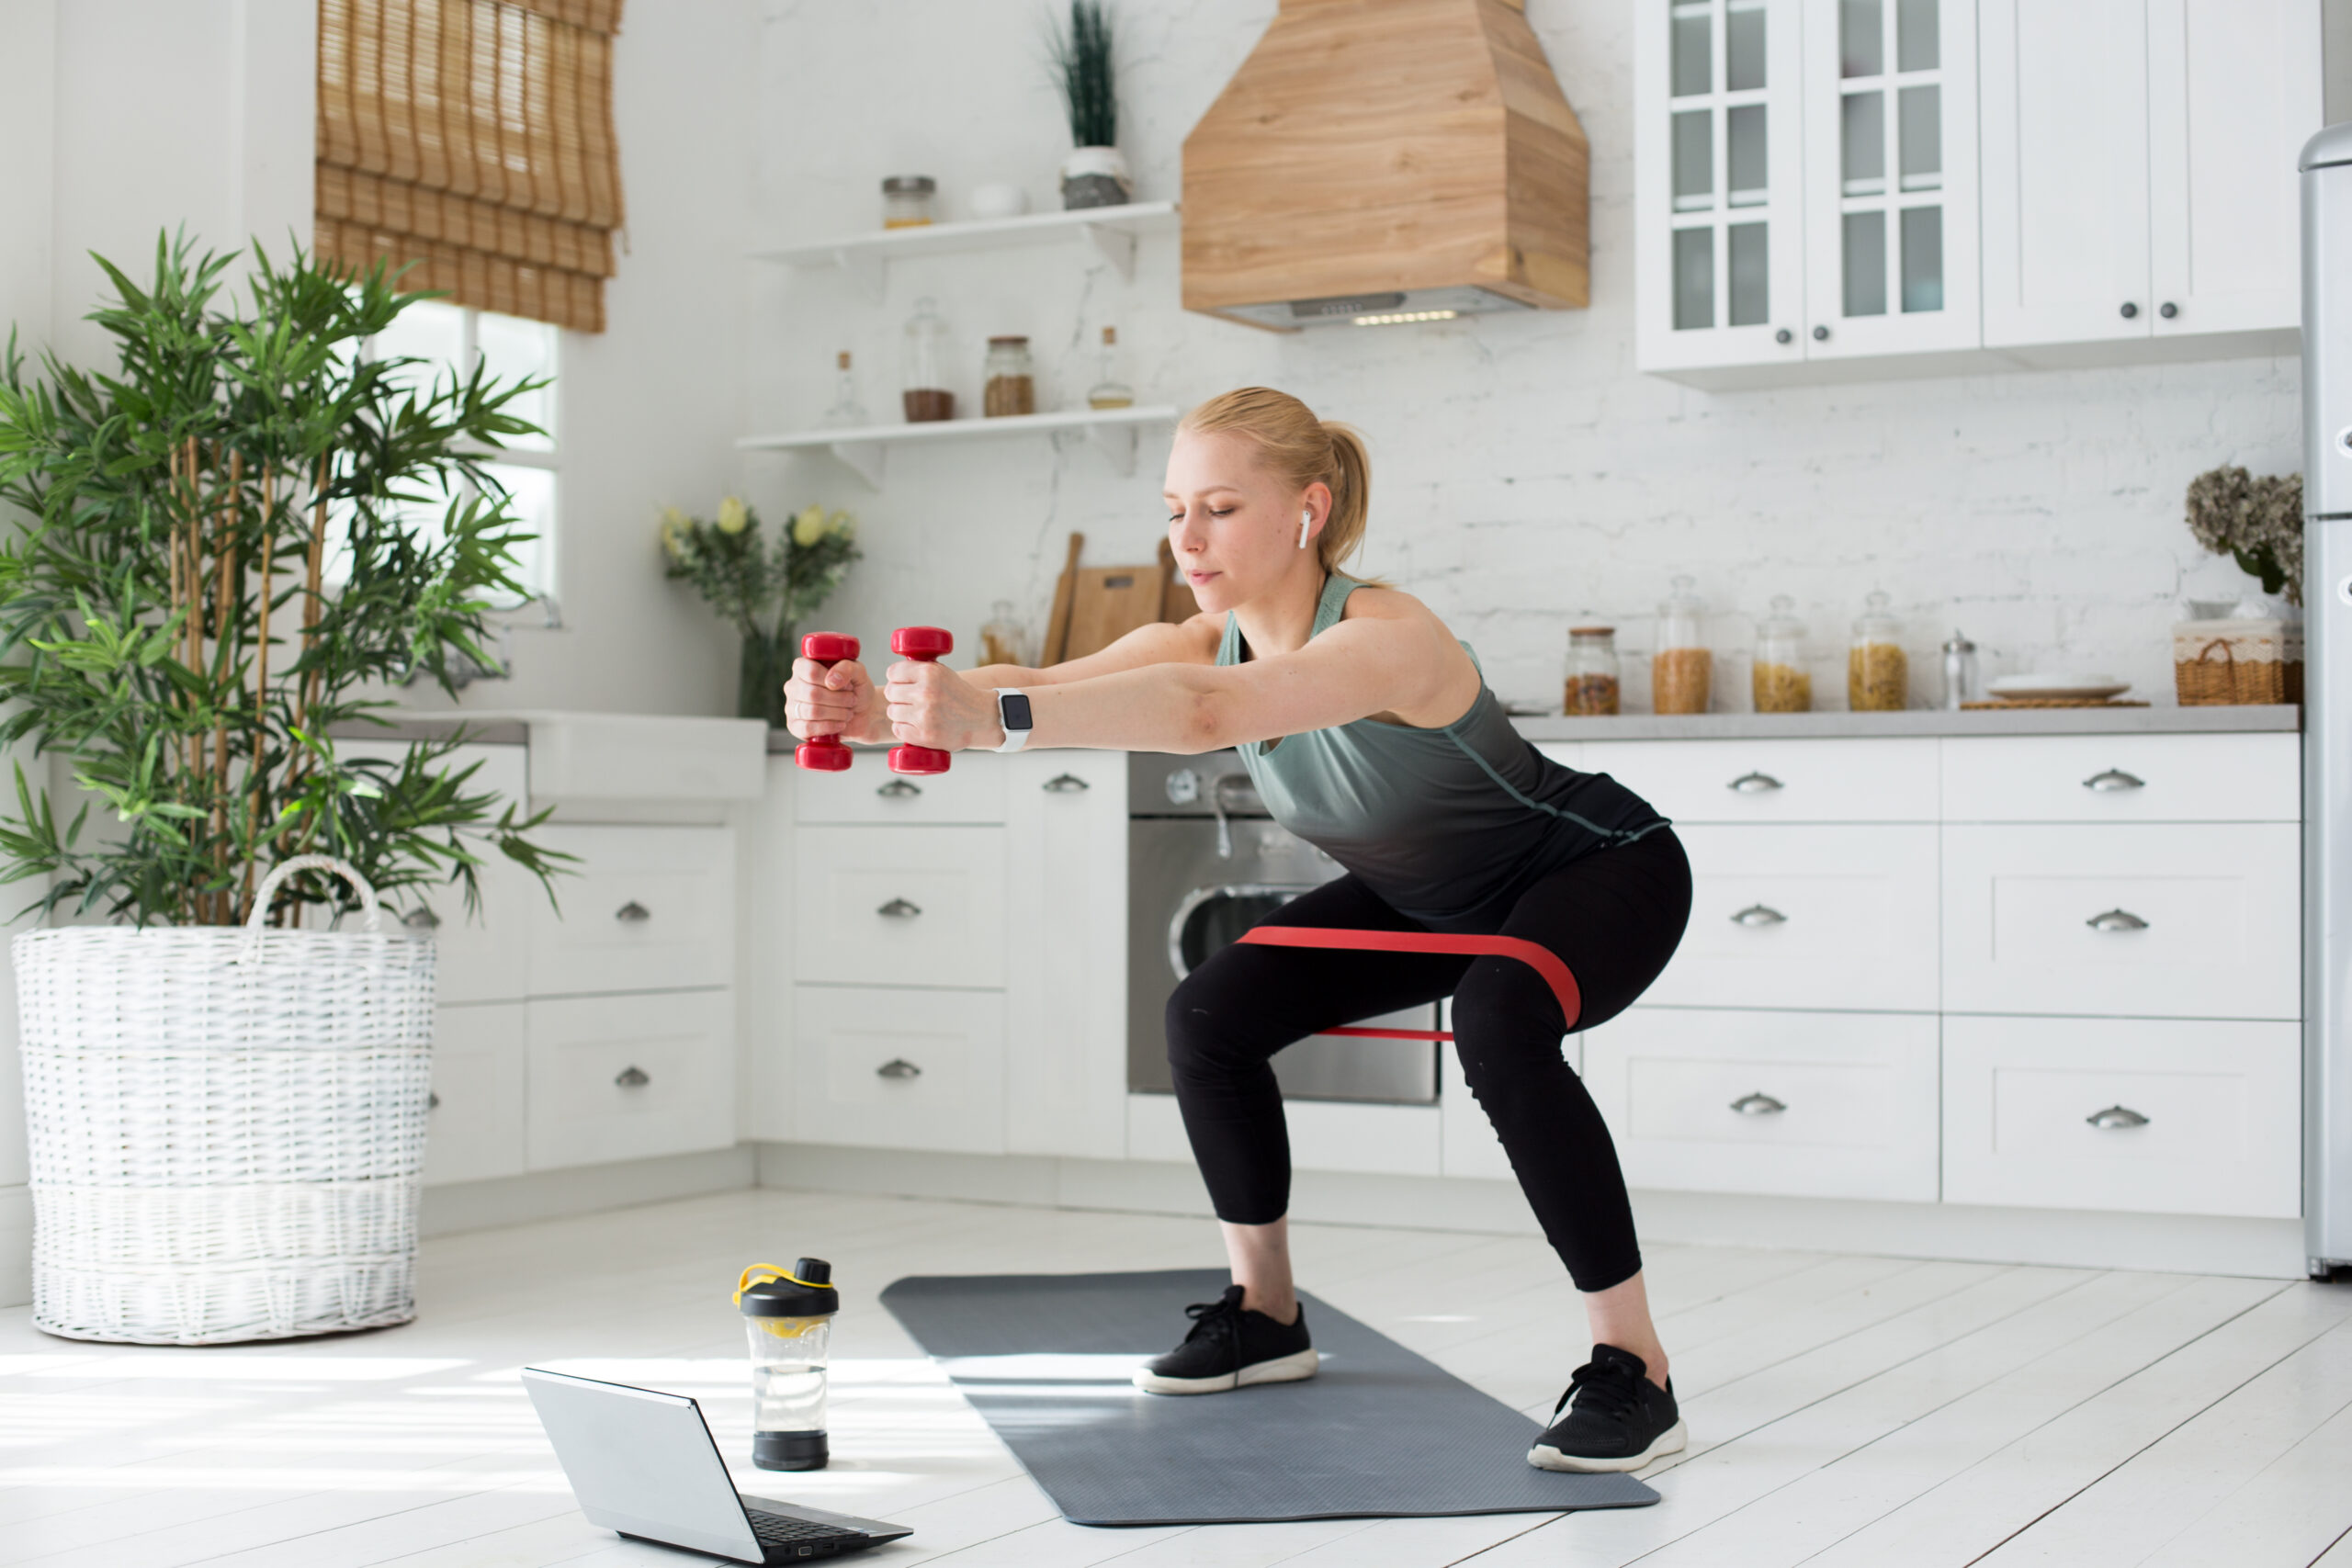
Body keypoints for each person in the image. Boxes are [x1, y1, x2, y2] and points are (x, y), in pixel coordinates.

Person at [781, 386, 1692, 1474]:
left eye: (1217, 507)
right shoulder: (1197, 637)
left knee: (1499, 1017)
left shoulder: (1388, 635)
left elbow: (1205, 713)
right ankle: (1265, 1315)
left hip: (1594, 867)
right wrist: (877, 712)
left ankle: (1633, 1367)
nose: (1185, 538)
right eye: (1174, 509)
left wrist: (993, 719)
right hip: (1431, 900)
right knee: (1207, 1013)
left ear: (1305, 512)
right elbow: (1030, 683)